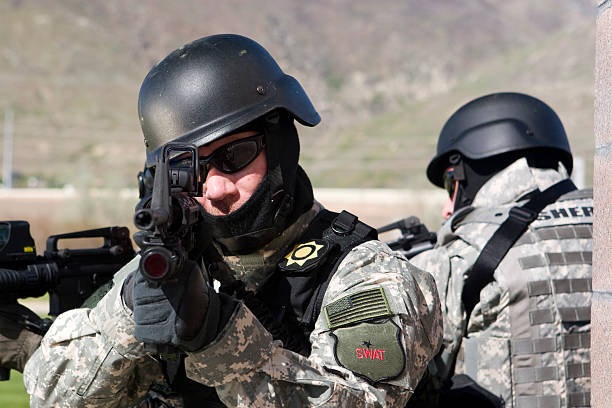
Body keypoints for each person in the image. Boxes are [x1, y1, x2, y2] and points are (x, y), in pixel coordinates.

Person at [23, 34, 442, 407]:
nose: (217, 188)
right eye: (194, 170)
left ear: (279, 142)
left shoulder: (369, 276)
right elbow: (49, 395)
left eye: (234, 156)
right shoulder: (164, 264)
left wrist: (218, 334)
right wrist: (128, 314)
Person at [409, 92, 592, 407]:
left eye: (450, 186)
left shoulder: (461, 252)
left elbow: (405, 382)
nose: (446, 208)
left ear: (464, 172)